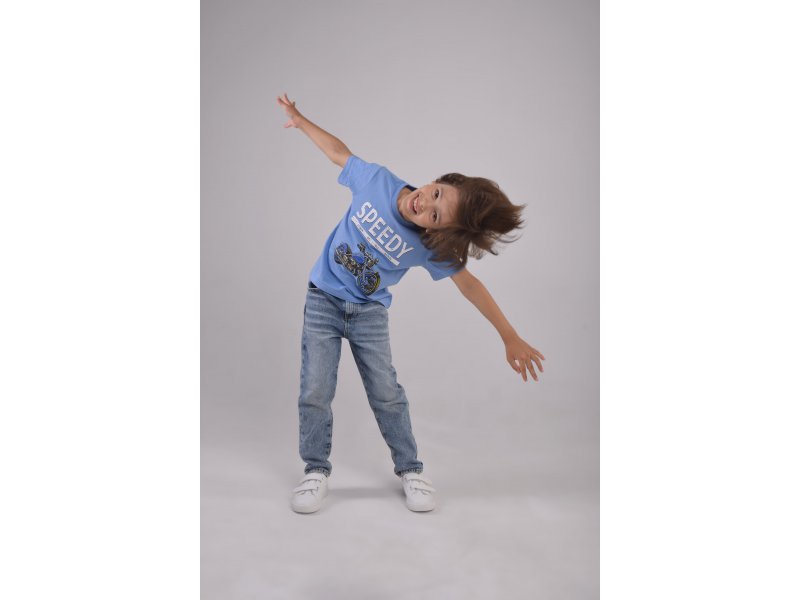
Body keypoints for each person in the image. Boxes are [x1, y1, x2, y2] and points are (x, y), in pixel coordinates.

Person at [276, 93, 545, 514]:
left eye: (435, 216)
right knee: (315, 389)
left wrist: (509, 336)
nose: (425, 205)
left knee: (386, 393)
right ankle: (315, 470)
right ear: (438, 180)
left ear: (438, 231)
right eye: (435, 193)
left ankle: (411, 469)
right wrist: (300, 119)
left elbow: (470, 286)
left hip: (368, 314)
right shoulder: (376, 181)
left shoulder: (430, 247)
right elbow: (338, 153)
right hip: (322, 300)